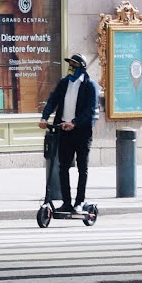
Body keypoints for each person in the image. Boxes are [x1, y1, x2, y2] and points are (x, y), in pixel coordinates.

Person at [40, 53, 99, 214]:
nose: (71, 68)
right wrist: (44, 117)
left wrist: (74, 123)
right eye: (70, 65)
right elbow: (53, 100)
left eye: (74, 65)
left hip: (82, 132)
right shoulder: (64, 83)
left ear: (82, 68)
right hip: (64, 131)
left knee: (82, 167)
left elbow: (90, 111)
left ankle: (79, 201)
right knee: (63, 167)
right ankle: (66, 202)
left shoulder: (90, 85)